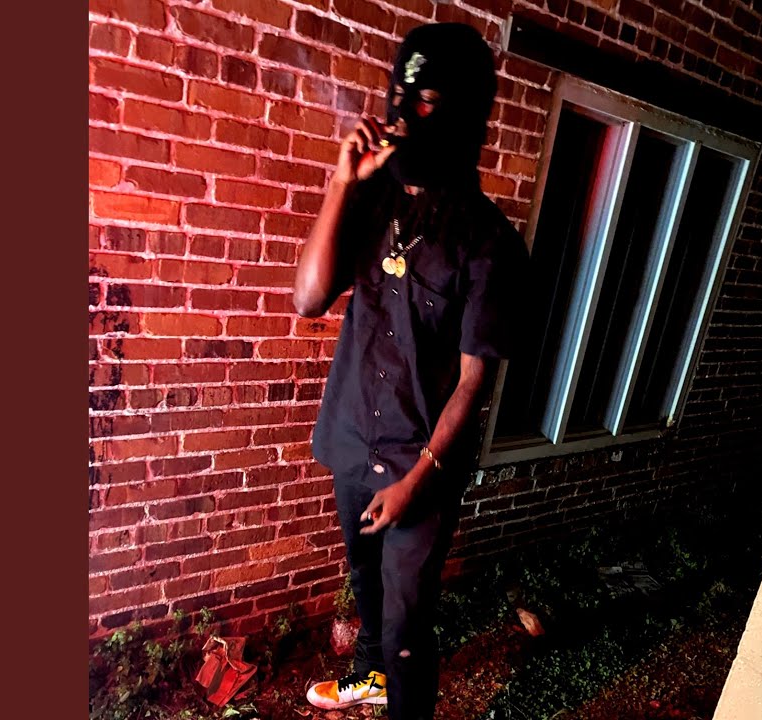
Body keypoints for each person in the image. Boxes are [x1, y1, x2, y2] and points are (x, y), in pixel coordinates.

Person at [292, 21, 529, 720]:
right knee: (366, 588)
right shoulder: (373, 199)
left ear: (464, 114)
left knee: (405, 628)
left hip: (417, 466)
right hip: (352, 441)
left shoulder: (489, 243)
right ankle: (367, 679)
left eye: (425, 100)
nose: (402, 113)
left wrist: (414, 481)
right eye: (399, 94)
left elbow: (473, 383)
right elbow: (308, 298)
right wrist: (342, 182)